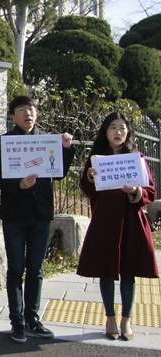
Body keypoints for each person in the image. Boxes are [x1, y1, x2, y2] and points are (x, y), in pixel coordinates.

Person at [0, 95, 74, 343]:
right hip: (14, 214)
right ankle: (17, 322)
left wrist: (66, 150)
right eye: (22, 110)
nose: (28, 114)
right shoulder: (3, 142)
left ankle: (32, 319)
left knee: (36, 269)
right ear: (13, 116)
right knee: (15, 268)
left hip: (41, 215)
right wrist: (19, 184)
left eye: (32, 110)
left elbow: (58, 174)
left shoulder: (47, 140)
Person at [77, 112, 159, 341]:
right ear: (106, 132)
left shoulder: (136, 158)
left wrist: (136, 192)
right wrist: (91, 179)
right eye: (113, 127)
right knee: (105, 270)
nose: (118, 132)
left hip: (131, 221)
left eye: (122, 128)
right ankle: (110, 317)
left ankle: (126, 320)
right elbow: (86, 188)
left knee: (129, 272)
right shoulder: (96, 159)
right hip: (105, 221)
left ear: (128, 132)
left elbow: (150, 191)